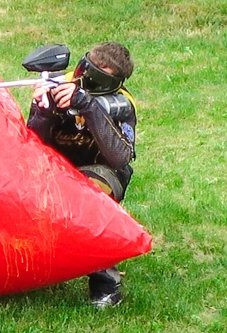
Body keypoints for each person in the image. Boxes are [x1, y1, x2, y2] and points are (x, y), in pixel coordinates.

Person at [26, 41, 137, 308]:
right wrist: (44, 112)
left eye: (103, 74)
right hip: (56, 166)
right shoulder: (56, 87)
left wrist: (87, 107)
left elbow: (119, 157)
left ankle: (105, 281)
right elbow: (32, 144)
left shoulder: (122, 104)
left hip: (102, 171)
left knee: (90, 202)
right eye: (92, 69)